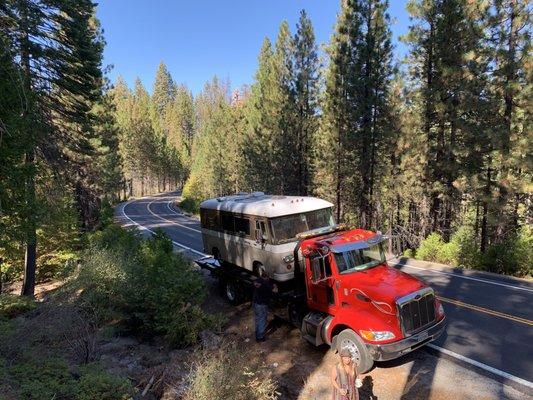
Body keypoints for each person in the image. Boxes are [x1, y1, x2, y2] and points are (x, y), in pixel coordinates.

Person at [252, 266, 278, 342]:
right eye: (268, 277)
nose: (269, 279)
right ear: (266, 277)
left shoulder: (258, 280)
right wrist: (275, 286)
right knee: (262, 320)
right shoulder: (266, 284)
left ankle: (257, 335)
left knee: (257, 319)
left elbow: (254, 283)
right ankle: (260, 337)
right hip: (262, 305)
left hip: (256, 304)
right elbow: (275, 291)